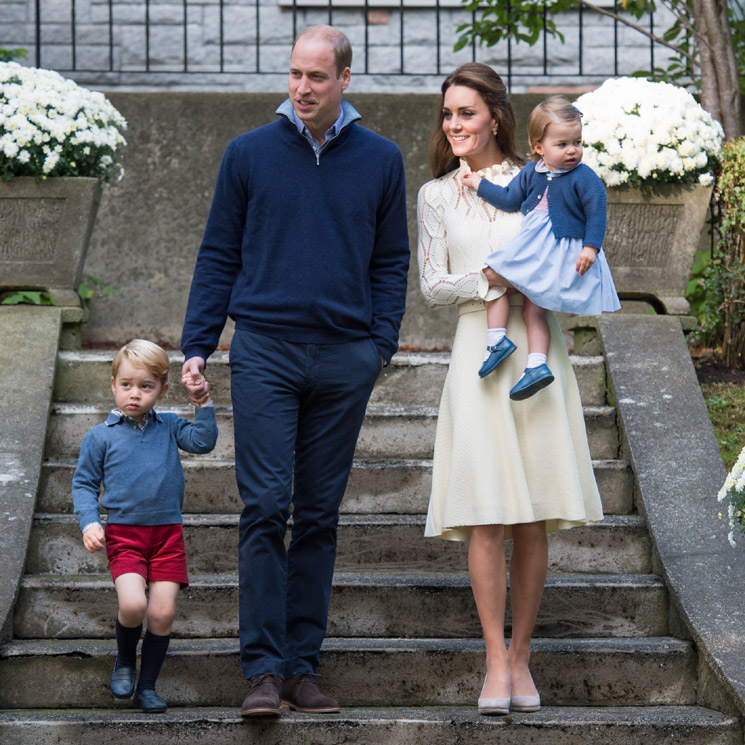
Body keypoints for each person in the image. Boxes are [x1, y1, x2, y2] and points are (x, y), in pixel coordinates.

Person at [179, 24, 409, 718]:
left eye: (316, 76)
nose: (302, 88)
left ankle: (303, 668)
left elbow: (391, 260)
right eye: (293, 75)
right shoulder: (248, 153)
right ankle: (262, 671)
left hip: (344, 357)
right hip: (265, 351)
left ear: (345, 79)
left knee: (315, 515)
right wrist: (198, 342)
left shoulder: (381, 159)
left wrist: (379, 345)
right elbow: (219, 252)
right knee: (264, 507)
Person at [417, 63, 603, 716]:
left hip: (535, 343)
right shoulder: (435, 195)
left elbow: (576, 245)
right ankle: (492, 660)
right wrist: (490, 280)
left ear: (493, 116)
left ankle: (521, 654)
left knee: (531, 513)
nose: (453, 125)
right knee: (485, 509)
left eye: (464, 113)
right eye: (446, 115)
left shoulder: (542, 180)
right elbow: (431, 285)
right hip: (477, 346)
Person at [72, 339, 218, 713]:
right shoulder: (100, 436)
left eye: (145, 387)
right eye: (126, 385)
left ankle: (148, 686)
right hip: (125, 535)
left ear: (162, 390)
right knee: (134, 603)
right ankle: (124, 660)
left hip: (167, 535)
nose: (134, 394)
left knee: (162, 613)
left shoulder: (168, 426)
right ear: (113, 384)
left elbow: (203, 442)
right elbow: (84, 484)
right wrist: (90, 522)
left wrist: (202, 404)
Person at [462, 96, 619, 398]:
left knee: (495, 278)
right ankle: (532, 362)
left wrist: (591, 247)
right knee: (528, 308)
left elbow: (597, 211)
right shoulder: (531, 172)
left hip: (557, 252)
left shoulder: (584, 177)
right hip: (534, 248)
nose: (573, 150)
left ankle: (502, 343)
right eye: (562, 144)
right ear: (538, 147)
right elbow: (509, 198)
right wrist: (478, 184)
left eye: (577, 142)